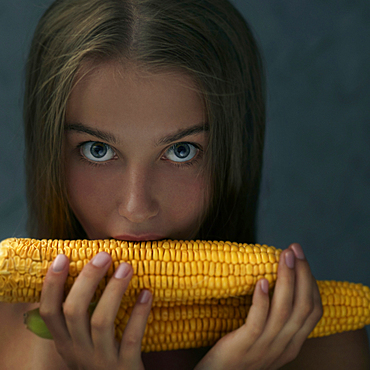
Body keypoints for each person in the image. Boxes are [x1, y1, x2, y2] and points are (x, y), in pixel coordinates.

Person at [1, 0, 369, 369]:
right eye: (97, 150)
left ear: (234, 154)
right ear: (49, 152)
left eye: (181, 151)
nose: (136, 207)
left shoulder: (325, 347)